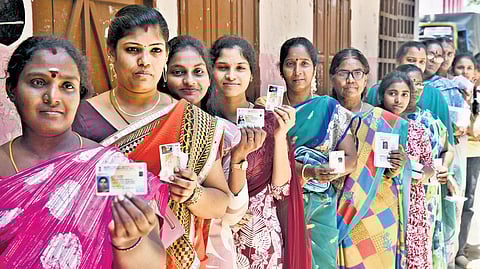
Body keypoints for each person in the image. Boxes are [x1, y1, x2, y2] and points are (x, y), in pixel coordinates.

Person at [73, 5, 231, 268]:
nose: (145, 61)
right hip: (100, 254)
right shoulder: (82, 117)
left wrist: (193, 194)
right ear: (112, 53)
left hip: (173, 258)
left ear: (166, 55)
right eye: (133, 50)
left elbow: (220, 203)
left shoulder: (194, 121)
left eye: (155, 50)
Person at [0, 36, 167, 268]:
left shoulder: (110, 168)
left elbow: (154, 263)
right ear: (12, 89)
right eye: (38, 82)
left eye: (67, 86)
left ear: (80, 94)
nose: (53, 97)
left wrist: (129, 241)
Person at [161, 35, 264, 269]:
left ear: (209, 79)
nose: (189, 81)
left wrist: (238, 158)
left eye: (198, 72)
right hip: (153, 247)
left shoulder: (220, 131)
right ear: (165, 76)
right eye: (178, 72)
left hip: (212, 249)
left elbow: (232, 213)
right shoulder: (149, 126)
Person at [208, 35, 307, 269]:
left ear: (252, 74)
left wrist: (280, 135)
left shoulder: (269, 120)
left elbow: (281, 190)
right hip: (213, 233)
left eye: (240, 68)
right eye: (223, 68)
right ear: (211, 71)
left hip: (259, 237)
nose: (231, 76)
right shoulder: (204, 121)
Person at [329, 48, 410, 269]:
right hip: (330, 211)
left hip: (376, 212)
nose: (350, 80)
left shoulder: (385, 121)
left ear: (366, 78)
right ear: (332, 77)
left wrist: (398, 164)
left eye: (357, 73)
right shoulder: (322, 114)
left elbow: (394, 172)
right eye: (343, 73)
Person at [396, 64, 453, 269]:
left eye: (419, 83)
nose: (414, 88)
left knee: (423, 248)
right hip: (397, 197)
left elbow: (449, 149)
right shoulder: (385, 120)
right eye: (409, 83)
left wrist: (445, 167)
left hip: (427, 197)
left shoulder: (430, 121)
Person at [365, 41, 455, 147]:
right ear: (398, 62)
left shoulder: (435, 95)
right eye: (411, 60)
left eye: (422, 62)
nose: (417, 65)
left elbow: (446, 142)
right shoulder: (377, 90)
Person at [454, 53, 480, 269]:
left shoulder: (476, 96)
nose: (464, 72)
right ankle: (450, 247)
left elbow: (475, 131)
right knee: (451, 200)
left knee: (468, 202)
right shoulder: (450, 93)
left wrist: (471, 102)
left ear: (475, 73)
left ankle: (460, 249)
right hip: (453, 152)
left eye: (469, 68)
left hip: (472, 153)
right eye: (460, 68)